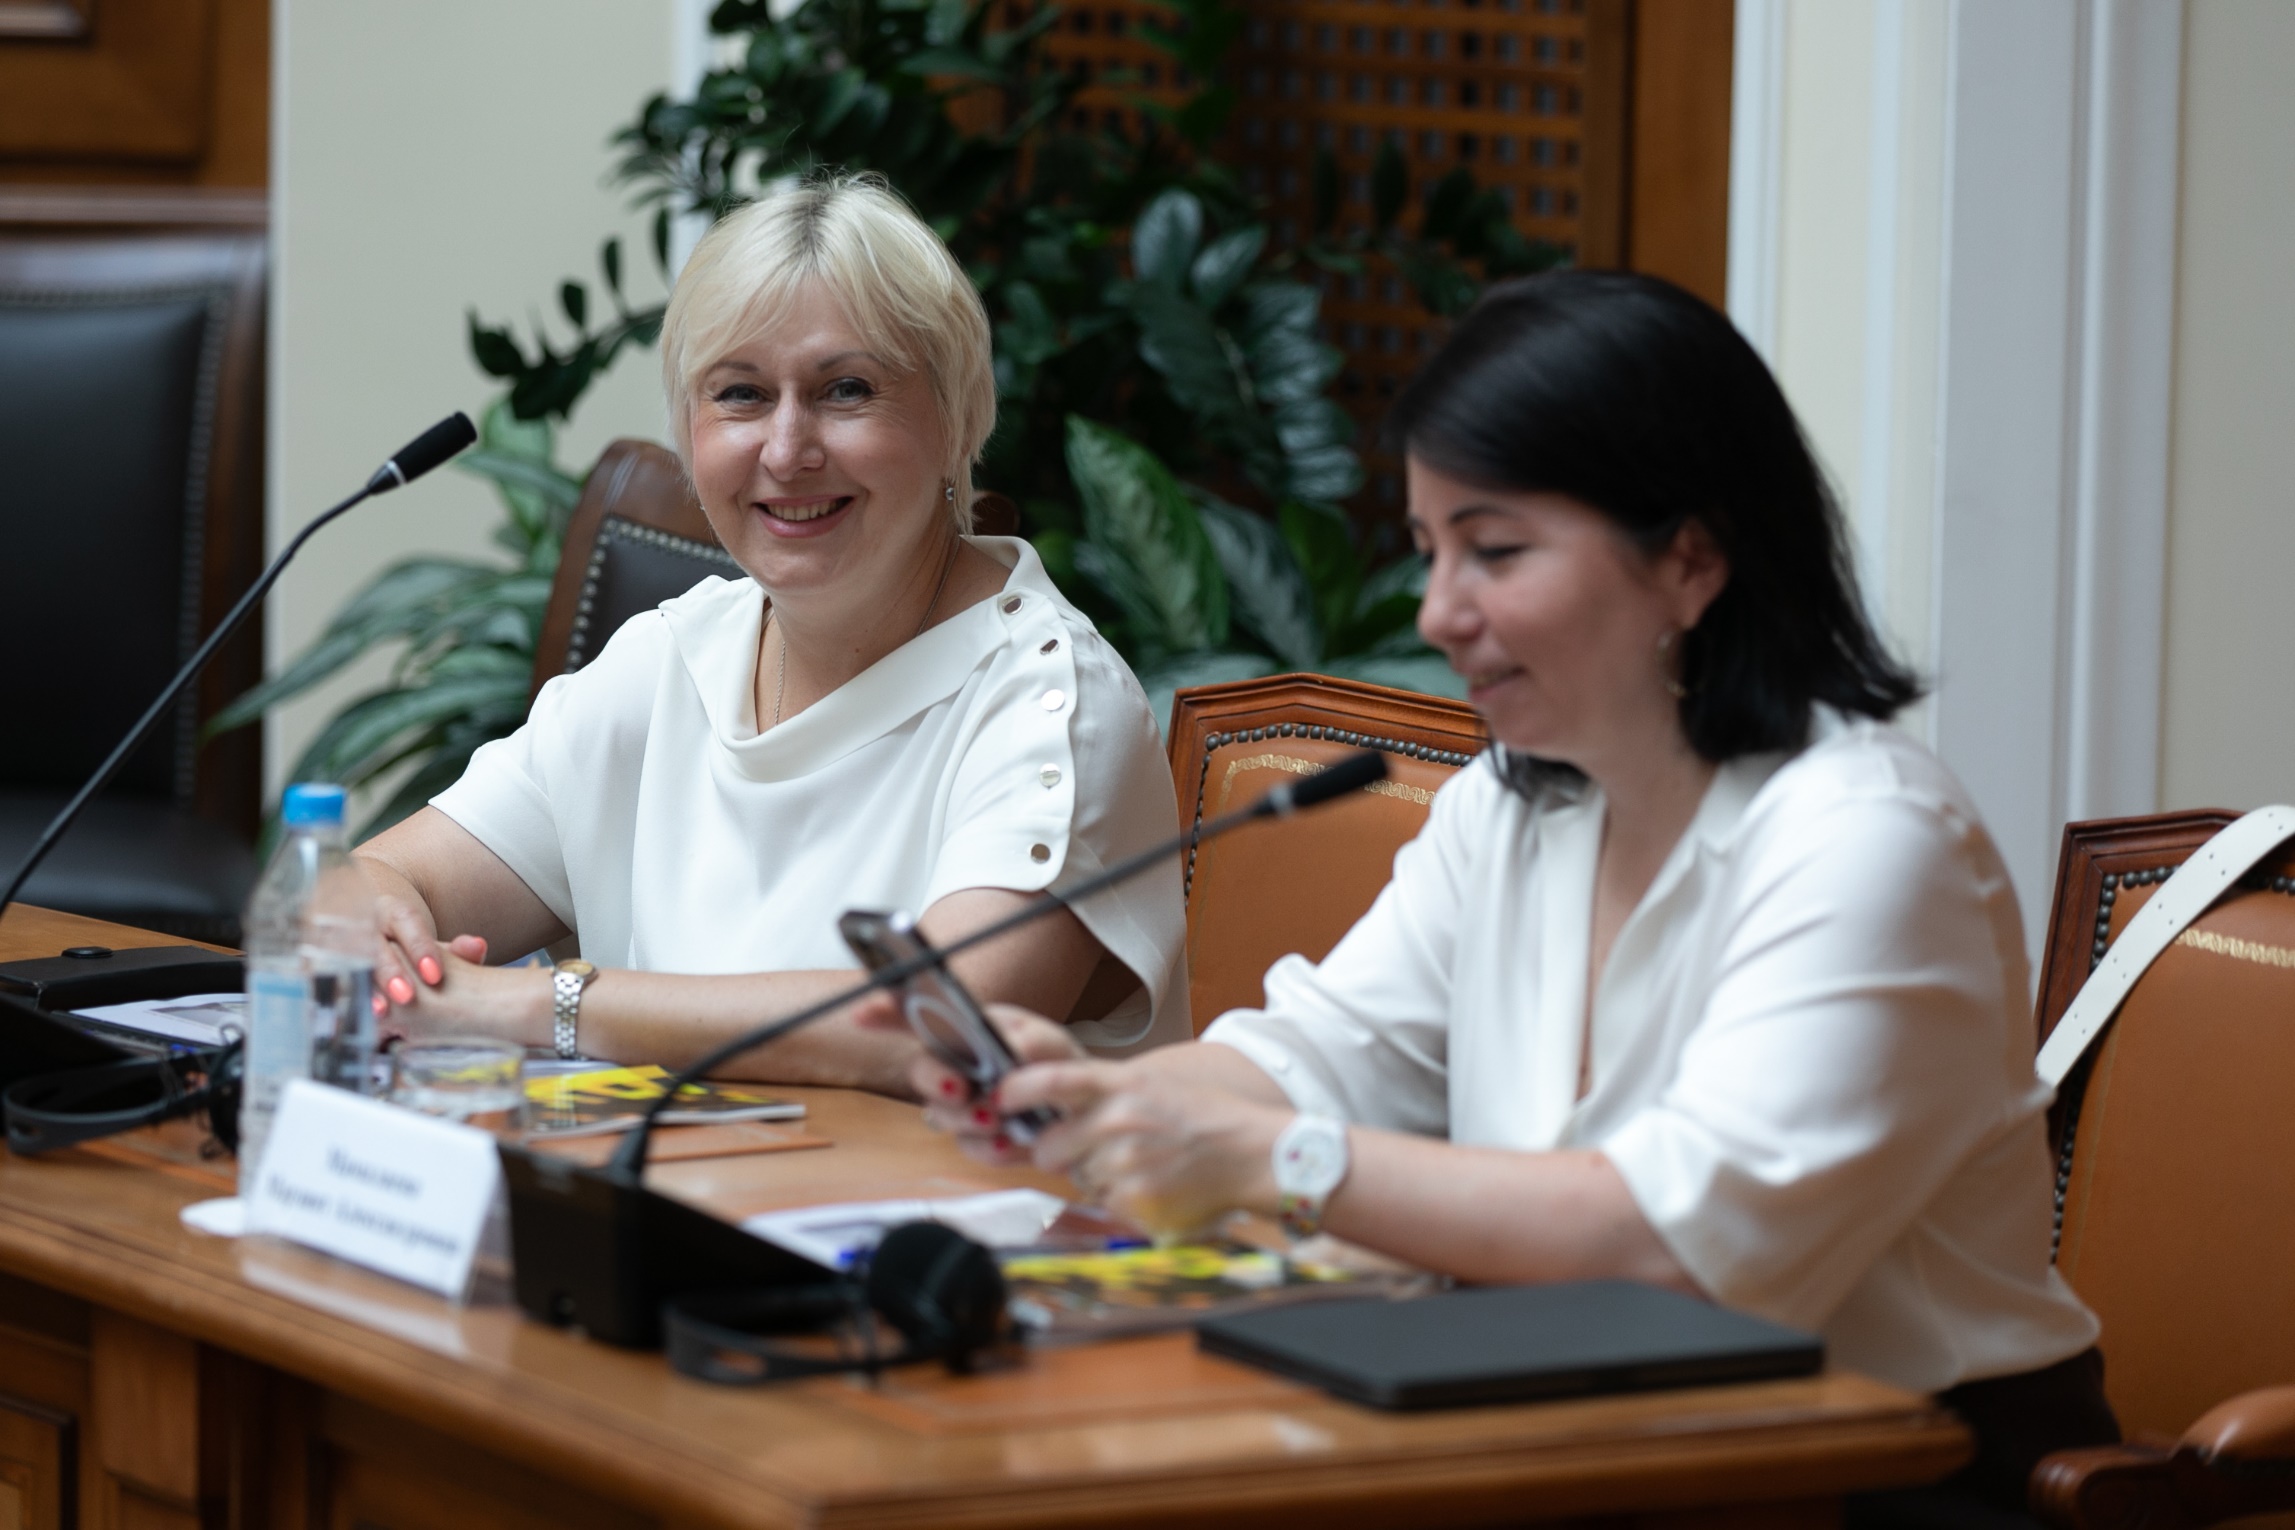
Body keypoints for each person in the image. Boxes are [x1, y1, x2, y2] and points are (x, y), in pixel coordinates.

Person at [889, 271, 2118, 1520]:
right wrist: (1096, 1098)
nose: (1439, 612)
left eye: (1496, 552)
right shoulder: (1518, 803)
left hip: (1887, 1479)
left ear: (1691, 559)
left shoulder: (1867, 845)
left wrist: (1274, 1159)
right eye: (1432, 552)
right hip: (1574, 1438)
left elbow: (1673, 1254)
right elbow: (1321, 1056)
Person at [354, 173, 1188, 1092]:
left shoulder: (1053, 703)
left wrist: (535, 1004)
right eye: (741, 395)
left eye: (846, 390)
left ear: (956, 419)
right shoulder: (671, 659)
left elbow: (945, 1027)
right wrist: (381, 935)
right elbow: (373, 879)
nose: (787, 451)